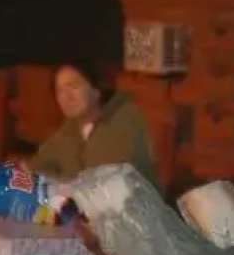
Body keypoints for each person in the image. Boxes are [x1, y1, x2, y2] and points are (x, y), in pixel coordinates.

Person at [30, 61, 159, 188]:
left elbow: (119, 182)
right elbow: (40, 164)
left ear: (96, 90)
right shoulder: (68, 130)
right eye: (60, 91)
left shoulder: (126, 120)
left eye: (73, 87)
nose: (66, 97)